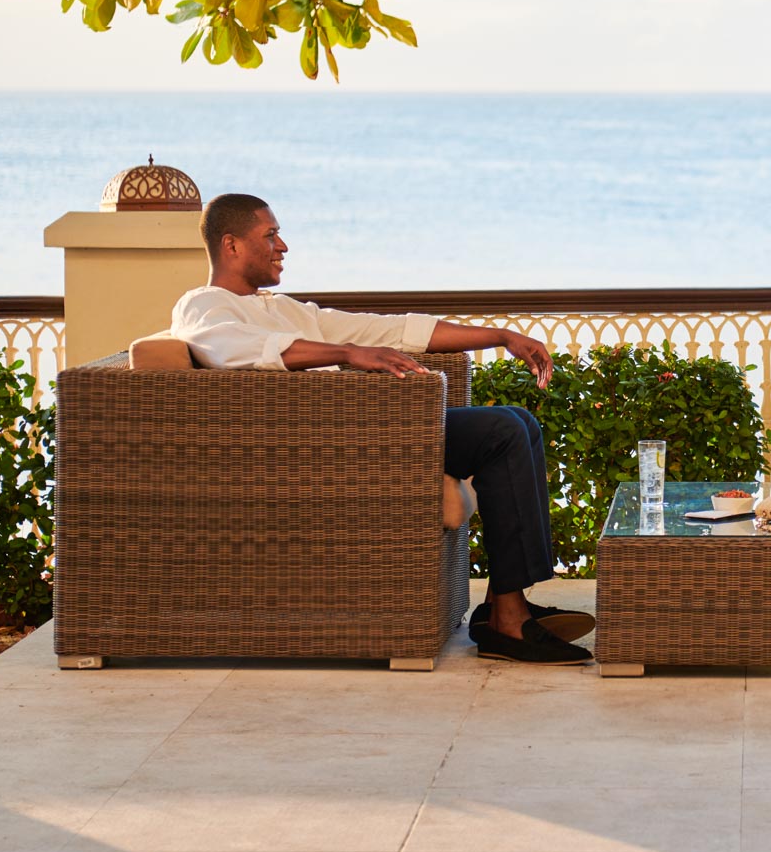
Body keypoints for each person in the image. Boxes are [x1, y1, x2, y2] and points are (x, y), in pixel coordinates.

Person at [170, 193, 596, 666]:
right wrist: (347, 353)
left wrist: (501, 337)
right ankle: (509, 625)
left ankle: (503, 603)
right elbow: (231, 348)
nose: (283, 245)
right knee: (500, 429)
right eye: (270, 235)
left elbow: (390, 331)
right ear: (230, 245)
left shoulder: (281, 309)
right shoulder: (203, 306)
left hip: (361, 430)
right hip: (324, 447)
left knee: (519, 423)